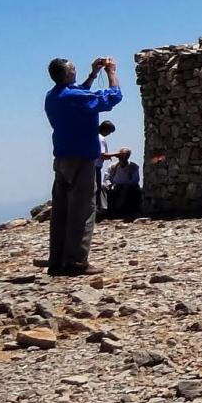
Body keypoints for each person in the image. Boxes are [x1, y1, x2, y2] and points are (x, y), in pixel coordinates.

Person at [45, 56, 123, 276]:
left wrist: (92, 75)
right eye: (73, 70)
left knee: (61, 212)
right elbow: (112, 97)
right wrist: (112, 73)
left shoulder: (53, 96)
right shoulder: (75, 97)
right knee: (82, 210)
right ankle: (77, 262)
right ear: (69, 74)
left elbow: (79, 93)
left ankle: (57, 260)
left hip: (61, 159)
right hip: (81, 159)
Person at [106, 148, 142, 219]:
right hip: (115, 186)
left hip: (128, 187)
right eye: (121, 156)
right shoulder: (112, 167)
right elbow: (106, 179)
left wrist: (124, 185)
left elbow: (135, 180)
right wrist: (109, 185)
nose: (123, 159)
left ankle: (117, 210)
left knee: (125, 189)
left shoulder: (133, 167)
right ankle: (105, 210)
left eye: (125, 156)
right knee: (103, 188)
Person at [95, 121, 117, 216]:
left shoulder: (93, 136)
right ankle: (95, 212)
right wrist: (117, 154)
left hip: (88, 165)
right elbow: (102, 155)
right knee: (97, 189)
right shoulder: (101, 139)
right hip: (95, 167)